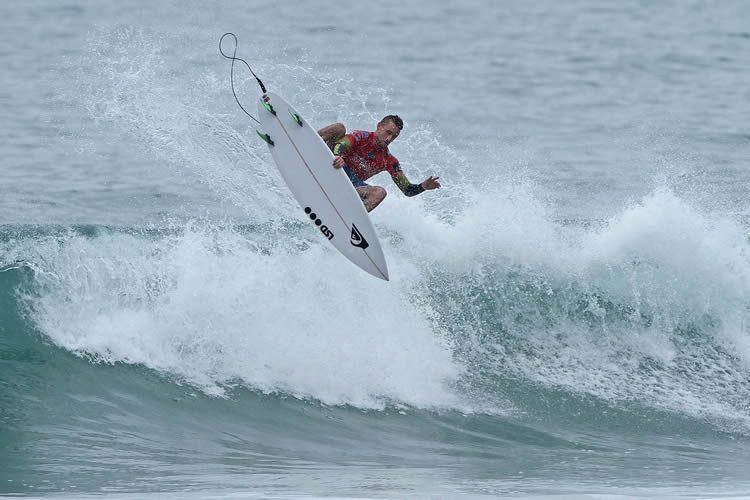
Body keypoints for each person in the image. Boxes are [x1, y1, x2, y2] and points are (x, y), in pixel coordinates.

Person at [318, 115, 441, 212]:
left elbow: (407, 190)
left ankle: (348, 220)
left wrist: (423, 186)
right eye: (388, 132)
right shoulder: (362, 136)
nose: (389, 139)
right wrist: (336, 156)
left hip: (349, 185)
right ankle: (301, 143)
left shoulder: (389, 160)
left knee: (379, 192)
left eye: (394, 137)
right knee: (339, 128)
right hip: (331, 165)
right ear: (379, 126)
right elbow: (341, 145)